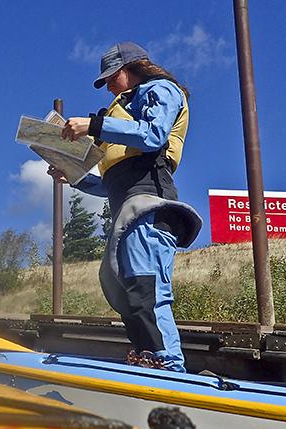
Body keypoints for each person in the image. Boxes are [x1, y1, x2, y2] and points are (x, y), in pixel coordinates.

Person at [55, 42, 202, 372]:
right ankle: (148, 355)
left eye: (112, 77)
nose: (107, 86)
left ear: (134, 67)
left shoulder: (160, 89)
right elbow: (109, 184)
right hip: (127, 206)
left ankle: (169, 363)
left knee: (145, 284)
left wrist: (94, 126)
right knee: (118, 282)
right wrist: (74, 176)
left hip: (148, 203)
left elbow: (153, 135)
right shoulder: (119, 110)